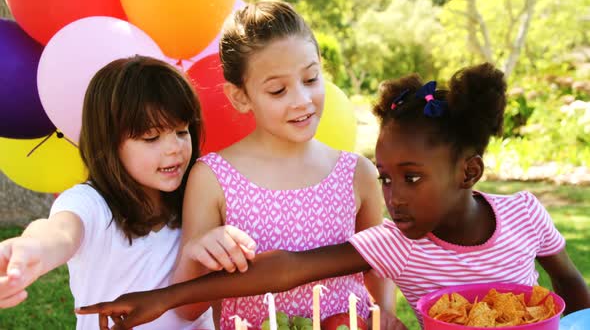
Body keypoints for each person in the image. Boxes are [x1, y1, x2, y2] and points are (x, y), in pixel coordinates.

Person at [77, 62, 590, 329]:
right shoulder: (397, 241)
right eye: (385, 178)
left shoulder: (526, 213)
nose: (394, 198)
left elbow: (570, 284)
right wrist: (161, 298)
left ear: (469, 172)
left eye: (411, 178)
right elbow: (287, 268)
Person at [169, 0, 397, 329]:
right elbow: (186, 309)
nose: (302, 100)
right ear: (240, 97)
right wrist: (196, 255)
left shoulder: (357, 173)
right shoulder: (212, 177)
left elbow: (377, 266)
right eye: (278, 90)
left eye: (310, 79)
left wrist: (384, 313)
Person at [0, 56, 214, 329]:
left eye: (182, 132)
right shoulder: (90, 203)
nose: (175, 147)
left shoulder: (200, 193)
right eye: (151, 137)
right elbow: (61, 233)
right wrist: (33, 248)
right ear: (110, 143)